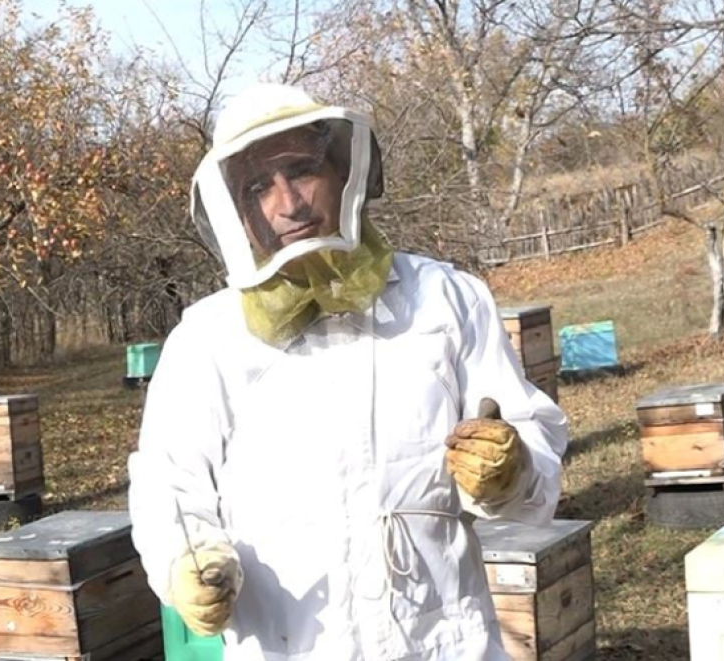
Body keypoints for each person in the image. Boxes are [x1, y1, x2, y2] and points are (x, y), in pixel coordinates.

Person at [126, 83, 569, 660]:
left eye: (301, 171)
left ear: (343, 171)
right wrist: (184, 565)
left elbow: (533, 456)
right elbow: (169, 489)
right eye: (259, 186)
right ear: (236, 211)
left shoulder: (445, 300)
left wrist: (515, 469)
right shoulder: (206, 340)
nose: (288, 203)